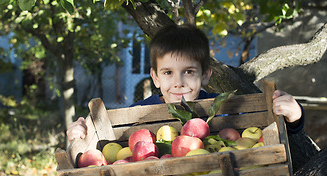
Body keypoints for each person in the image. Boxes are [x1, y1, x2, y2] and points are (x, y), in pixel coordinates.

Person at [67, 24, 304, 142]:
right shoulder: (139, 114)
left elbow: (261, 130)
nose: (178, 82)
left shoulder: (220, 111)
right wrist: (83, 134)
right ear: (156, 78)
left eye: (189, 72)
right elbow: (109, 137)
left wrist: (293, 117)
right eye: (168, 73)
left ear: (206, 75)